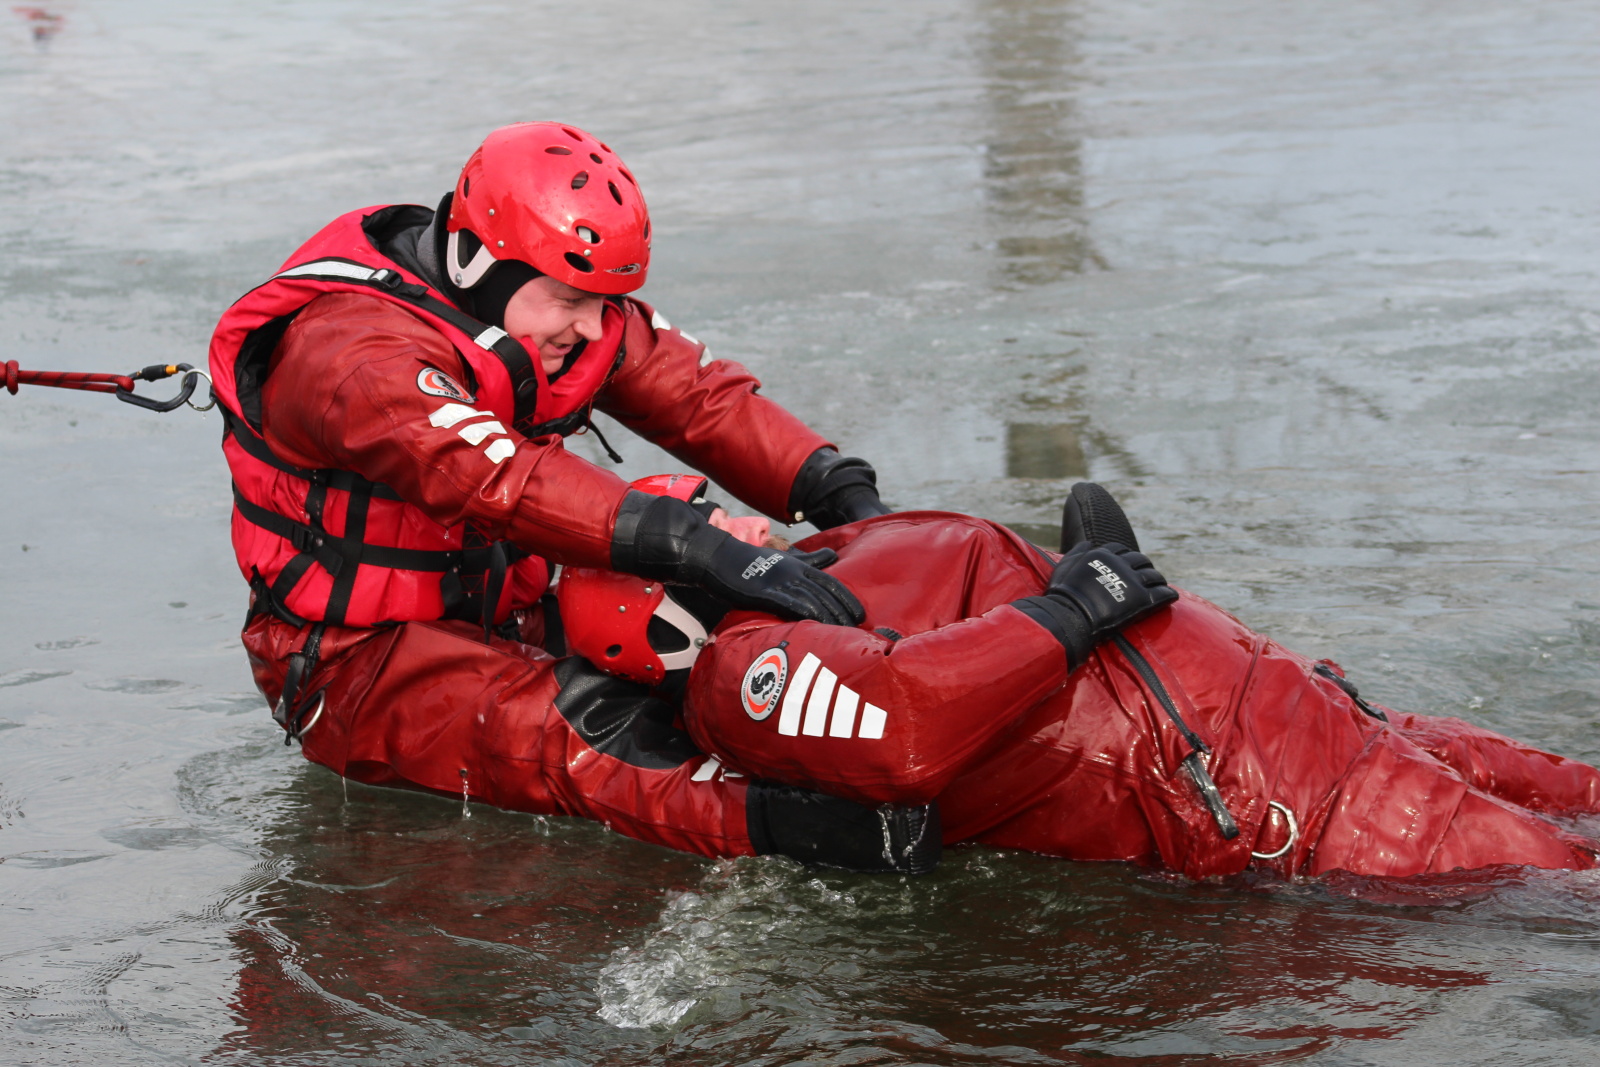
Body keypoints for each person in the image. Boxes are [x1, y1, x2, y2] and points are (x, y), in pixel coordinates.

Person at [206, 122, 934, 871]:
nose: (593, 326)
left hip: (515, 610)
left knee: (747, 601)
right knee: (584, 729)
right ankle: (811, 827)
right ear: (476, 261)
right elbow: (500, 482)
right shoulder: (353, 355)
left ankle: (940, 668)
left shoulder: (539, 302)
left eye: (604, 302)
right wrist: (699, 544)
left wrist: (844, 495)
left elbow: (697, 397)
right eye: (571, 301)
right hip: (359, 666)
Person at [560, 482, 1600, 881]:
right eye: (702, 528)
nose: (728, 528)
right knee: (1564, 876)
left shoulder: (816, 569)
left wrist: (1070, 590)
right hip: (1278, 792)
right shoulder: (744, 669)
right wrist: (1063, 614)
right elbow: (899, 725)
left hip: (1296, 712)